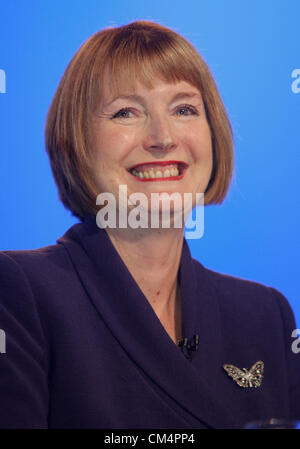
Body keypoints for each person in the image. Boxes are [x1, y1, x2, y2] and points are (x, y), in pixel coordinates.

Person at [0, 20, 299, 429]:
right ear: (76, 141)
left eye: (184, 109)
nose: (162, 137)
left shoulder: (266, 315)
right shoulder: (17, 293)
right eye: (126, 112)